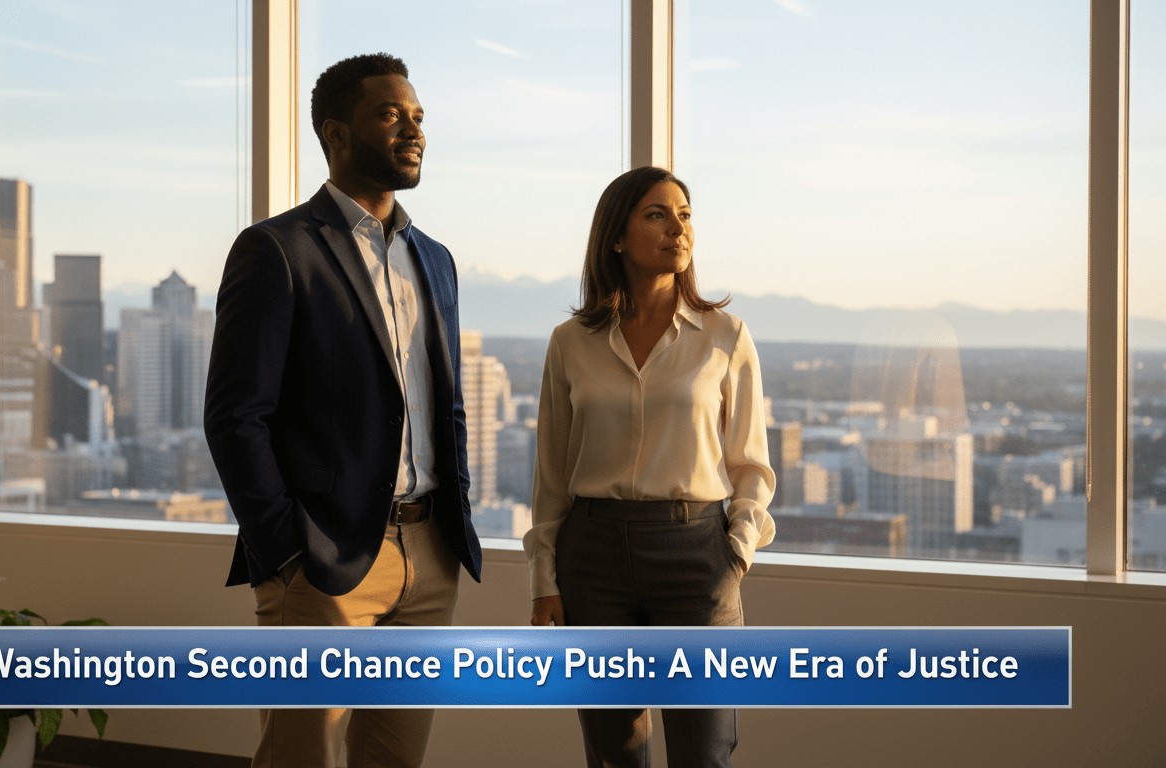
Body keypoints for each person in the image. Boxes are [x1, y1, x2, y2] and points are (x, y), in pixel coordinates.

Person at [203, 52, 482, 768]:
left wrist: (454, 528)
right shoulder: (277, 249)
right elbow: (236, 415)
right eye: (390, 114)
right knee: (304, 758)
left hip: (429, 555)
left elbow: (444, 408)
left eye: (417, 116)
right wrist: (286, 550)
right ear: (336, 133)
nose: (413, 130)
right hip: (323, 561)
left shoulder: (437, 260)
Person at [525, 166, 776, 768]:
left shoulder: (726, 336)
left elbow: (751, 466)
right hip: (594, 558)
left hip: (695, 554)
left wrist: (734, 554)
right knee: (614, 754)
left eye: (685, 215)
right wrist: (544, 581)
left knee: (706, 751)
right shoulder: (571, 341)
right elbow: (551, 476)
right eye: (657, 215)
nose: (677, 228)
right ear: (617, 236)